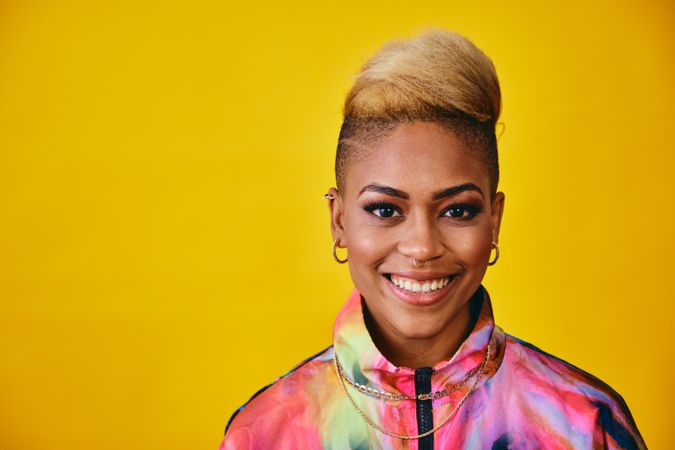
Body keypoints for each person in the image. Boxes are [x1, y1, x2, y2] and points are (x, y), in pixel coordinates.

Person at [219, 28, 645, 449]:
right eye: (385, 210)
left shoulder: (584, 423)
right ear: (339, 221)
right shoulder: (266, 432)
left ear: (493, 221)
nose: (422, 247)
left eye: (457, 211)